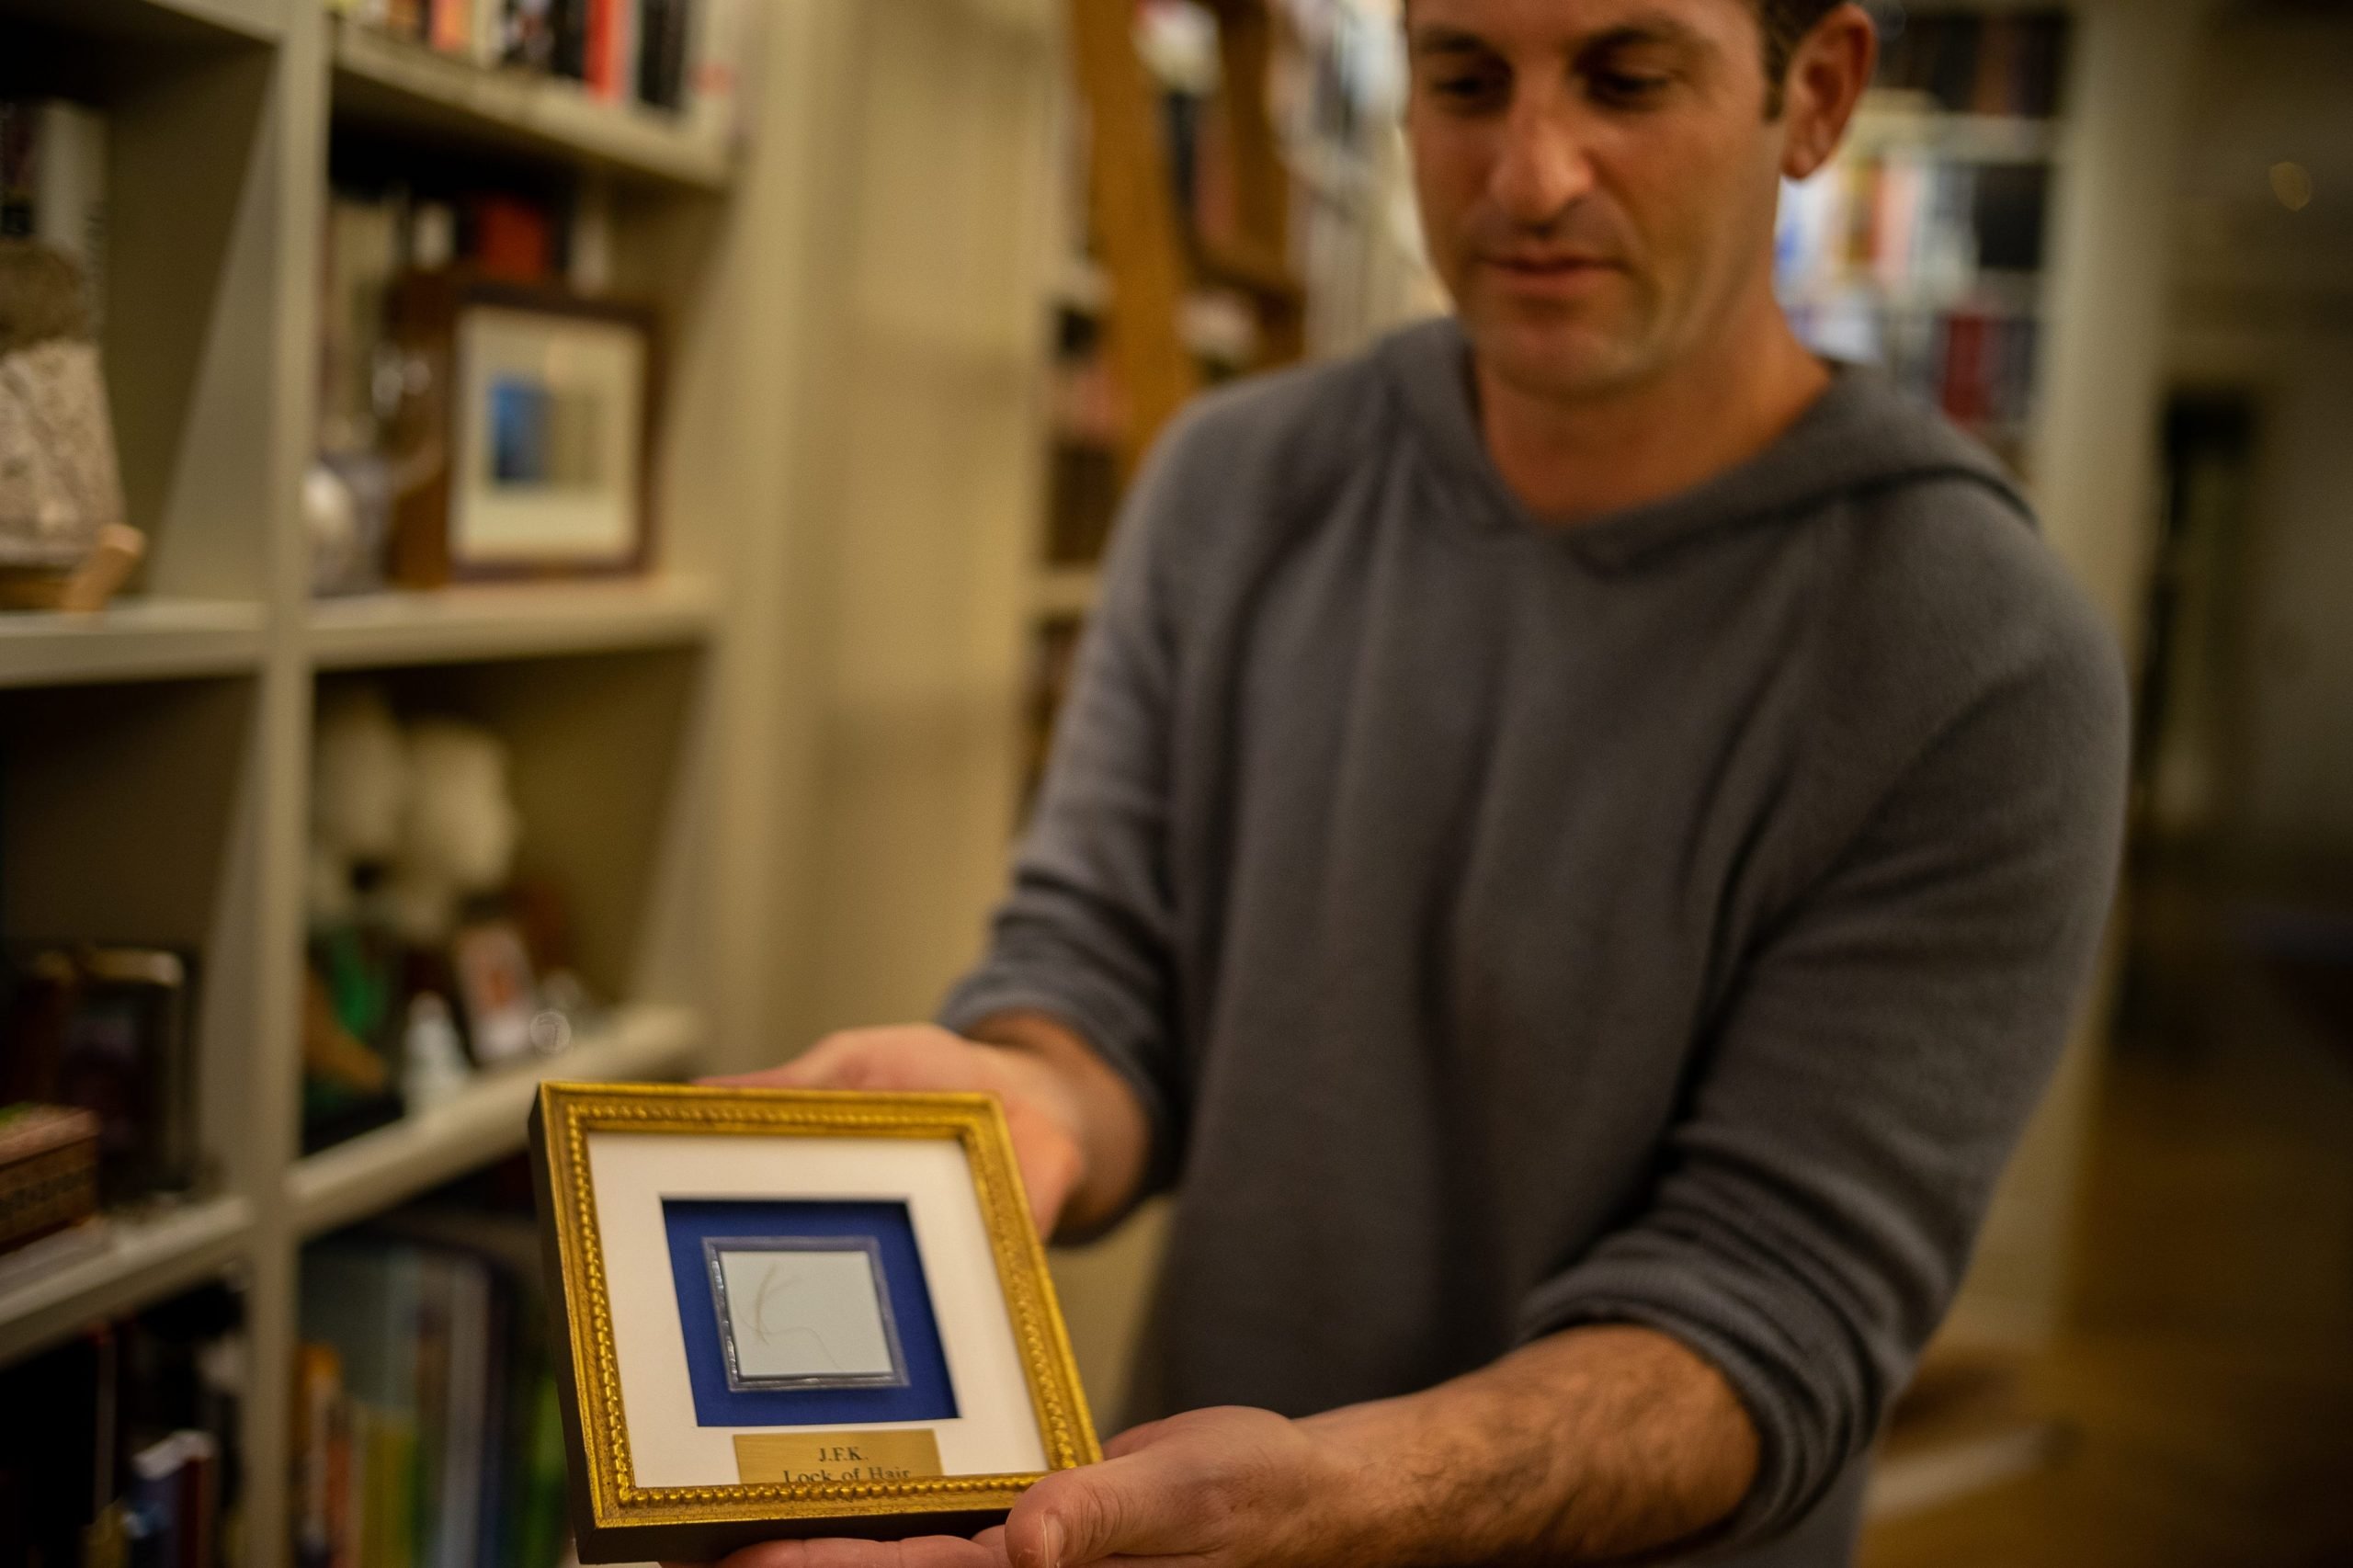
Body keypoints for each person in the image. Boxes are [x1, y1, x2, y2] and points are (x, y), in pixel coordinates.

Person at [698, 1, 2129, 1563]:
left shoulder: (1981, 652)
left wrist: (1353, 1504)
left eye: (1628, 79)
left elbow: (1768, 1306)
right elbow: (1106, 967)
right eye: (1463, 80)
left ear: (1817, 96)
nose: (1528, 176)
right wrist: (1031, 1099)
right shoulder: (1231, 483)